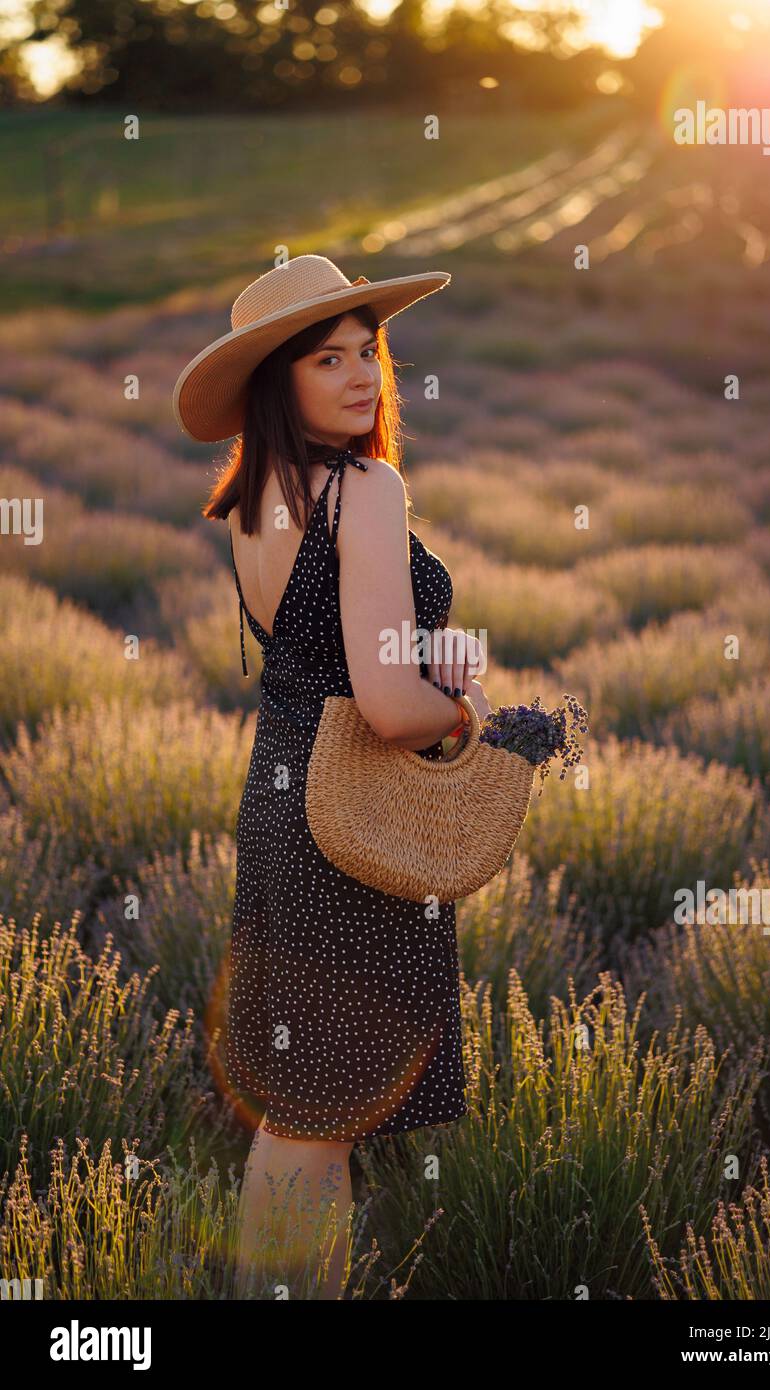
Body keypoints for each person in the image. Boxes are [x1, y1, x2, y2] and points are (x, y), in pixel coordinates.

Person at [173, 255, 492, 1299]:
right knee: (324, 1111)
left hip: (277, 790)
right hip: (346, 810)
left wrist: (409, 672)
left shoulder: (255, 492)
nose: (362, 376)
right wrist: (461, 706)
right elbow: (389, 706)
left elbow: (314, 659)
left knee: (298, 1106)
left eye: (368, 352)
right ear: (279, 376)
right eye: (328, 357)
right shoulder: (363, 488)